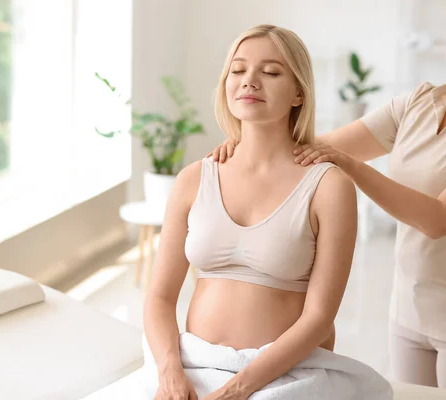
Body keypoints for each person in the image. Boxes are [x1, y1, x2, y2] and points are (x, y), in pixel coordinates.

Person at [143, 24, 358, 399]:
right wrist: (170, 372)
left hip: (285, 375)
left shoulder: (329, 186)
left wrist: (237, 390)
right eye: (238, 70)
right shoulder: (194, 179)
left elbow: (320, 318)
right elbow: (160, 297)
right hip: (193, 368)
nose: (249, 81)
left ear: (298, 94)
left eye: (271, 72)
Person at [209, 78, 446, 388]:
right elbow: (312, 149)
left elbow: (437, 220)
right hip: (408, 308)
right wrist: (244, 147)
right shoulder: (419, 103)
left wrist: (351, 166)